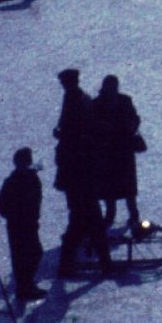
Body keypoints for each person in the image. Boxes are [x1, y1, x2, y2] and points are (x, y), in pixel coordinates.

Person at [52, 69, 107, 275]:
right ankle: (103, 262)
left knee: (80, 219)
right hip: (83, 172)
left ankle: (69, 263)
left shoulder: (74, 101)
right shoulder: (81, 99)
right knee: (89, 218)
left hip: (77, 172)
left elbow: (74, 137)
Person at [0, 147, 45, 302]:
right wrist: (14, 216)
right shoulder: (13, 181)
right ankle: (24, 288)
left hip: (30, 224)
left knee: (35, 253)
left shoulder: (33, 178)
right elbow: (0, 205)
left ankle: (27, 285)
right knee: (22, 257)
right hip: (17, 226)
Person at [91, 76, 141, 232]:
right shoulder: (98, 104)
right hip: (110, 152)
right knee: (111, 187)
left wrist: (129, 126)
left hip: (120, 151)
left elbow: (135, 119)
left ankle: (132, 214)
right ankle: (113, 214)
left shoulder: (123, 101)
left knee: (124, 188)